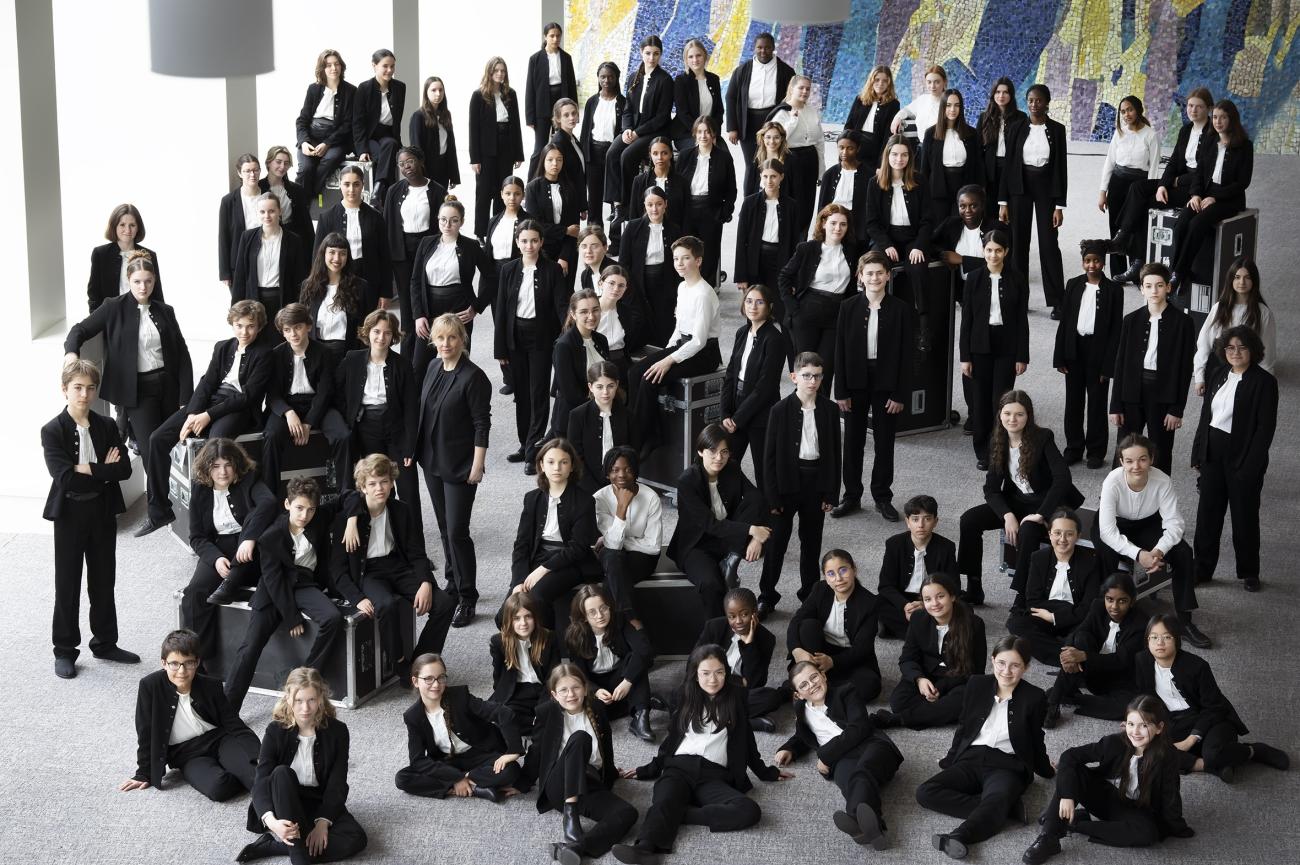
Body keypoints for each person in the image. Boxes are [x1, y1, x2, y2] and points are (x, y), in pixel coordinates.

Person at [611, 644, 791, 864]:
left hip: (714, 775)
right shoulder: (682, 695)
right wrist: (648, 769)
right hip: (679, 768)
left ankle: (678, 813)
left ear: (726, 672)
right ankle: (644, 850)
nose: (712, 680)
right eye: (705, 673)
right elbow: (671, 739)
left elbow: (746, 739)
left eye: (719, 672)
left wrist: (766, 772)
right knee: (664, 799)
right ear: (695, 674)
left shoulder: (736, 696)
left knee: (749, 811)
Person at [223, 478, 362, 713]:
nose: (305, 515)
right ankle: (228, 710)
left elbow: (351, 495)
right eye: (299, 508)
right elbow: (273, 581)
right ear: (287, 504)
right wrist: (291, 617)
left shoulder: (319, 517)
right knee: (250, 647)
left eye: (310, 509)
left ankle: (304, 681)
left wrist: (352, 521)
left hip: (305, 584)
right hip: (273, 592)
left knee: (332, 618)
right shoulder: (270, 536)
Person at [139, 300, 272, 537]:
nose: (244, 331)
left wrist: (207, 416)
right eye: (239, 325)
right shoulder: (223, 347)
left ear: (259, 327)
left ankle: (207, 521)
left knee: (213, 448)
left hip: (238, 409)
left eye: (250, 326)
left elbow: (248, 397)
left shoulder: (265, 354)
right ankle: (159, 511)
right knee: (157, 439)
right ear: (232, 324)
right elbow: (207, 382)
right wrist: (193, 414)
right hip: (208, 403)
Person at [916, 635, 1054, 859]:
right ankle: (1005, 808)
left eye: (1015, 665)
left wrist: (1047, 770)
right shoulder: (976, 684)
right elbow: (964, 726)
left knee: (997, 798)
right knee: (925, 793)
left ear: (1026, 667)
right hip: (971, 758)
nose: (1006, 671)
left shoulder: (1035, 697)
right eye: (1001, 663)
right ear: (992, 660)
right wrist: (950, 760)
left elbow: (1037, 739)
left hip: (1007, 765)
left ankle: (959, 836)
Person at [43, 360, 137, 679]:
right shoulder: (52, 431)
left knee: (103, 580)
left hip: (101, 512)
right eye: (78, 388)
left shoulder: (107, 425)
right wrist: (102, 471)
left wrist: (87, 468)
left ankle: (105, 643)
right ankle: (64, 650)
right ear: (65, 389)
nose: (85, 394)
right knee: (67, 584)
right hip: (69, 515)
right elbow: (65, 479)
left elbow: (123, 470)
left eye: (90, 388)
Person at [1022, 695, 1194, 863]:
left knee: (1148, 833)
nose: (1135, 732)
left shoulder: (1168, 756)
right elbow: (1069, 756)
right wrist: (1067, 795)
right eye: (1131, 724)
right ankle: (1048, 837)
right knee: (1074, 772)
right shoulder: (1114, 743)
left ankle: (1071, 824)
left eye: (1144, 725)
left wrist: (1176, 826)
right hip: (1104, 795)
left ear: (1159, 728)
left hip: (1136, 808)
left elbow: (1170, 794)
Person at [64, 251, 191, 463]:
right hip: (138, 392)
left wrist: (186, 399)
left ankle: (167, 487)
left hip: (169, 388)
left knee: (174, 450)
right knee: (151, 453)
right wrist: (71, 354)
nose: (143, 287)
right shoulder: (113, 307)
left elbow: (183, 355)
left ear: (154, 280)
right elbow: (79, 330)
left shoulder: (165, 311)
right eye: (137, 281)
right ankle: (156, 488)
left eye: (148, 281)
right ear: (128, 280)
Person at [957, 390, 1081, 605]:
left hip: (1048, 502)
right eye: (1007, 413)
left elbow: (1063, 479)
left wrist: (1041, 515)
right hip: (1018, 500)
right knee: (969, 520)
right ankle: (974, 586)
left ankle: (1023, 595)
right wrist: (1007, 515)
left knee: (1028, 532)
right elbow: (991, 489)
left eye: (1019, 414)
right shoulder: (998, 440)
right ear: (1000, 415)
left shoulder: (1043, 437)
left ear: (1028, 416)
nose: (1012, 419)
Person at [333, 453, 455, 672]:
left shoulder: (401, 510)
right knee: (386, 605)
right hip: (367, 572)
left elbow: (416, 552)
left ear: (391, 483)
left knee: (445, 603)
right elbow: (337, 569)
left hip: (396, 565)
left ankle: (420, 663)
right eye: (372, 483)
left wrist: (426, 582)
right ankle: (399, 663)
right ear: (363, 487)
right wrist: (357, 598)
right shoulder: (347, 520)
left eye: (384, 482)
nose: (379, 488)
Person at [238, 668, 368, 864]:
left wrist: (322, 823)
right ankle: (300, 858)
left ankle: (275, 846)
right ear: (288, 699)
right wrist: (273, 823)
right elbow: (261, 780)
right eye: (298, 700)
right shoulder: (275, 730)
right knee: (281, 773)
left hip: (317, 800)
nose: (305, 708)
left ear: (321, 699)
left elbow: (338, 783)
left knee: (356, 839)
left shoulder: (338, 731)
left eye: (311, 700)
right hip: (283, 798)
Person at [1136, 615, 1289, 781]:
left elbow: (1214, 708)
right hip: (1175, 722)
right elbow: (1145, 698)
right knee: (1147, 749)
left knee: (1212, 753)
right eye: (1154, 637)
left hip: (1212, 718)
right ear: (1147, 640)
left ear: (1177, 639)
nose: (1159, 643)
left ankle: (1253, 751)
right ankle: (1214, 766)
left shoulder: (1197, 666)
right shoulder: (1142, 660)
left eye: (1167, 637)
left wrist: (1190, 740)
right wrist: (1138, 721)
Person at [775, 662, 904, 849]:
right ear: (799, 695)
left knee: (862, 774)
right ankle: (874, 830)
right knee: (848, 783)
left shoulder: (846, 692)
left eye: (814, 677)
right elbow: (803, 735)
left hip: (870, 744)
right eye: (804, 685)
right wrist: (789, 748)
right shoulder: (802, 709)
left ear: (823, 676)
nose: (811, 685)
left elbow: (859, 727)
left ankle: (856, 820)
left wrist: (825, 755)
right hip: (841, 759)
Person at [121, 629, 260, 801]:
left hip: (219, 739)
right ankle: (236, 772)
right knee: (219, 788)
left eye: (189, 663)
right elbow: (145, 732)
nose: (181, 671)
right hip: (186, 754)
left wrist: (257, 753)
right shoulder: (149, 687)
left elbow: (234, 723)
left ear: (197, 662)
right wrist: (144, 772)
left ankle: (243, 772)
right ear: (163, 663)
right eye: (174, 664)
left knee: (256, 774)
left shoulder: (211, 685)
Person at [416, 313, 491, 628]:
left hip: (461, 464)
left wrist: (478, 464)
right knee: (444, 527)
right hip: (432, 460)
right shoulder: (433, 367)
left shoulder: (474, 377)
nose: (446, 343)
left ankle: (467, 597)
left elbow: (482, 423)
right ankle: (452, 581)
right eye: (440, 338)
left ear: (463, 339)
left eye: (452, 337)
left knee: (458, 531)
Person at [521, 665, 639, 865]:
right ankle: (570, 811)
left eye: (576, 688)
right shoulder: (546, 712)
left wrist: (611, 772)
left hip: (588, 781)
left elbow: (606, 746)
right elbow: (537, 751)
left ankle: (575, 848)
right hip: (559, 786)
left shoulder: (597, 708)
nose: (571, 694)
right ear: (554, 695)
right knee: (580, 738)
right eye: (563, 690)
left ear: (585, 689)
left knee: (628, 813)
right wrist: (521, 783)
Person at [1096, 434, 1206, 647]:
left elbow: (1175, 524)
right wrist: (1139, 555)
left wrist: (1158, 551)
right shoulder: (1112, 481)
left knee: (1183, 552)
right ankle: (1104, 616)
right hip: (1117, 524)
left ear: (1151, 459)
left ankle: (1184, 622)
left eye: (1142, 459)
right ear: (1121, 461)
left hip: (1147, 524)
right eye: (1129, 461)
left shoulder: (1162, 480)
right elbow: (1107, 531)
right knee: (1105, 551)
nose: (1136, 466)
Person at [1190, 325, 1277, 591]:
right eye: (1230, 347)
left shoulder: (1264, 382)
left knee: (1244, 517)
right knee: (1208, 515)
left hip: (1244, 458)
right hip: (1212, 454)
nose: (1235, 352)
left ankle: (1249, 572)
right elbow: (1206, 417)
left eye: (1241, 347)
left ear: (1253, 350)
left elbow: (1265, 430)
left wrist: (1250, 468)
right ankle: (1202, 568)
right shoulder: (1218, 373)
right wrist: (1198, 452)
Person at [832, 250, 916, 521]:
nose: (875, 278)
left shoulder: (902, 309)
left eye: (880, 273)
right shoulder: (848, 307)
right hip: (854, 382)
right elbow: (839, 351)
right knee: (852, 442)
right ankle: (851, 496)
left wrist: (900, 393)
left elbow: (907, 357)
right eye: (869, 273)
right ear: (860, 276)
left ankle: (882, 496)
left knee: (884, 442)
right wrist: (840, 391)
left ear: (888, 276)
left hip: (887, 382)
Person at [761, 352, 841, 612]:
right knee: (777, 544)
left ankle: (809, 595)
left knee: (811, 543)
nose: (812, 381)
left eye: (817, 376)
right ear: (794, 377)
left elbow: (834, 454)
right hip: (786, 485)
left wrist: (831, 493)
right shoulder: (779, 410)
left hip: (816, 484)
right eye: (806, 376)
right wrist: (772, 497)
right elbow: (769, 458)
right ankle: (767, 596)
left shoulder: (830, 410)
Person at [628, 237, 723, 455]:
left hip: (704, 354)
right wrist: (663, 354)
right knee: (634, 373)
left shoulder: (704, 294)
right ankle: (647, 432)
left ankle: (640, 442)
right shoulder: (682, 287)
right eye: (676, 258)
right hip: (684, 346)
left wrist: (668, 360)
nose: (679, 263)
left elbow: (699, 340)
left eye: (685, 258)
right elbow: (679, 329)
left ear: (698, 260)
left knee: (650, 379)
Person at [183, 439, 275, 659]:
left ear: (236, 465)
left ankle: (233, 582)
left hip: (253, 547)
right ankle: (197, 659)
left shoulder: (249, 479)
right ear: (207, 468)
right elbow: (197, 537)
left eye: (228, 465)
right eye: (215, 466)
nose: (222, 472)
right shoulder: (200, 488)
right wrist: (215, 559)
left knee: (255, 514)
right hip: (218, 548)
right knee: (194, 594)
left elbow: (269, 503)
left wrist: (249, 538)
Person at [1107, 87, 1214, 275]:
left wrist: (1177, 181)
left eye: (1198, 106)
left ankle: (1135, 256)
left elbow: (1205, 172)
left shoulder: (1213, 134)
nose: (1193, 110)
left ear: (1209, 109)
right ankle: (1125, 238)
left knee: (1143, 203)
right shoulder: (1186, 130)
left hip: (1196, 190)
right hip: (1179, 182)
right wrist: (1163, 185)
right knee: (1138, 189)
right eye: (1190, 105)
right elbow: (1173, 162)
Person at [667, 424, 770, 619]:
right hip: (697, 544)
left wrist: (757, 538)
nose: (719, 458)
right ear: (700, 451)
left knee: (759, 506)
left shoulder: (731, 467)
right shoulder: (687, 481)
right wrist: (751, 530)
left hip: (726, 537)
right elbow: (710, 524)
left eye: (724, 452)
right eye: (712, 451)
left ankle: (733, 557)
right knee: (711, 585)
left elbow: (756, 498)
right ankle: (718, 630)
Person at [394, 653, 523, 801]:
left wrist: (513, 750)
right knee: (402, 778)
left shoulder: (460, 696)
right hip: (447, 760)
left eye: (441, 677)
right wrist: (455, 777)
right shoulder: (413, 716)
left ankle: (464, 783)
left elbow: (503, 713)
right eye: (428, 679)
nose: (436, 684)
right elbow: (418, 760)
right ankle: (475, 787)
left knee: (511, 770)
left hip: (479, 754)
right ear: (415, 681)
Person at [334, 309, 421, 525]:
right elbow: (337, 392)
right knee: (377, 487)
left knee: (408, 490)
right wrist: (347, 420)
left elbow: (411, 407)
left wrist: (410, 446)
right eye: (376, 331)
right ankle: (385, 535)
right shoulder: (352, 359)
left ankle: (414, 542)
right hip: (366, 429)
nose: (381, 337)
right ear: (367, 332)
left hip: (396, 430)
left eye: (387, 333)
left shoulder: (402, 364)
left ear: (393, 336)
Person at [1108, 263, 1194, 476]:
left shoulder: (1183, 323)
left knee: (1161, 450)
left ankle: (1158, 496)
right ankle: (1119, 491)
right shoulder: (1130, 320)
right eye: (1148, 286)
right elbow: (1120, 364)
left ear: (1168, 287)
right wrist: (1116, 404)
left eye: (1159, 285)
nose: (1154, 291)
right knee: (1125, 447)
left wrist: (1177, 408)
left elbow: (1184, 370)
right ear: (1141, 289)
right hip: (1131, 393)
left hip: (1163, 395)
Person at [495, 219, 566, 472]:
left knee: (538, 393)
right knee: (521, 393)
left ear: (541, 242)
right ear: (517, 242)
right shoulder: (508, 270)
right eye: (524, 241)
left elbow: (561, 305)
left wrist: (568, 333)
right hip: (515, 337)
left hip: (541, 338)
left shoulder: (552, 270)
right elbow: (501, 310)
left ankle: (533, 451)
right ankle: (524, 443)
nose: (529, 246)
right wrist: (500, 348)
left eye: (534, 240)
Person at [875, 572, 986, 730]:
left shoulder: (974, 624)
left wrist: (940, 688)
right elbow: (907, 659)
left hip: (958, 680)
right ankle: (935, 712)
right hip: (926, 674)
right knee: (898, 702)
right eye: (927, 599)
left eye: (940, 596)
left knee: (964, 700)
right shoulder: (918, 619)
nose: (935, 604)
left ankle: (898, 720)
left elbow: (976, 670)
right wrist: (919, 679)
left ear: (952, 596)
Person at [511, 438, 600, 627]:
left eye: (563, 462)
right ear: (541, 465)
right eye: (551, 462)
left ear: (572, 466)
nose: (557, 468)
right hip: (538, 556)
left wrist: (543, 570)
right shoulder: (532, 499)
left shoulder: (585, 501)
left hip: (570, 561)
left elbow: (578, 548)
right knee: (505, 614)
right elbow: (522, 544)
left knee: (537, 597)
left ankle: (548, 645)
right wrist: (517, 581)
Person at [959, 229, 1029, 469]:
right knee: (980, 402)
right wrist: (965, 357)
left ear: (1006, 251)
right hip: (979, 346)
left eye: (998, 250)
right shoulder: (973, 278)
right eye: (989, 250)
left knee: (1002, 403)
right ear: (983, 250)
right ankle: (982, 451)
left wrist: (1022, 355)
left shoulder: (1017, 279)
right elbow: (966, 320)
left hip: (1007, 346)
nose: (993, 255)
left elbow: (1021, 320)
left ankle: (999, 450)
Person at [407, 197, 494, 386]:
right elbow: (415, 281)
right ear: (438, 219)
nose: (447, 225)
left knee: (458, 365)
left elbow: (492, 278)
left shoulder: (471, 246)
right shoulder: (426, 243)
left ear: (462, 222)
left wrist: (476, 307)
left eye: (454, 220)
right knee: (419, 366)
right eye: (443, 220)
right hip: (428, 310)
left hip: (459, 310)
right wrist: (418, 315)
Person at [997, 83, 1067, 315]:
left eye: (1039, 100)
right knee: (1018, 245)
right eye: (1030, 100)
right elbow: (1008, 165)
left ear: (1047, 103)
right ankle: (1019, 299)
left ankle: (1057, 301)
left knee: (1049, 244)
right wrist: (1003, 202)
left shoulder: (1057, 130)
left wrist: (1059, 205)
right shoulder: (1016, 127)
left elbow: (1061, 168)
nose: (1034, 104)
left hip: (1046, 189)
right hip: (1020, 189)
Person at [1169, 99, 1253, 289]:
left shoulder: (1245, 146)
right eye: (1215, 117)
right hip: (1205, 194)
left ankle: (1177, 275)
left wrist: (1216, 197)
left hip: (1228, 199)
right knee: (1182, 223)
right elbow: (1199, 173)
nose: (1218, 122)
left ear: (1232, 119)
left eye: (1223, 117)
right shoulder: (1209, 141)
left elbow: (1243, 182)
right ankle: (1180, 271)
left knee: (1197, 223)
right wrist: (1195, 194)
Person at [1054, 240, 1123, 469]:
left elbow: (1115, 331)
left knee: (1096, 403)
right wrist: (1060, 356)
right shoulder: (1073, 284)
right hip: (1074, 350)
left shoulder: (1114, 290)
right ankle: (1074, 447)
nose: (1091, 265)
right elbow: (1065, 322)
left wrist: (1109, 365)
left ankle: (1095, 451)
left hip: (1098, 353)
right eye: (1087, 261)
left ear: (1103, 263)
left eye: (1096, 261)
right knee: (1073, 402)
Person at [1043, 572, 1143, 727]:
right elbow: (1077, 633)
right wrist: (1067, 656)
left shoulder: (1141, 623)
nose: (1114, 607)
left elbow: (1121, 660)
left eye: (1122, 601)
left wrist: (1084, 656)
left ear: (1132, 601)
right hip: (1091, 671)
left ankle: (1070, 696)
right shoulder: (1097, 606)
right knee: (1081, 638)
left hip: (1119, 680)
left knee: (1131, 707)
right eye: (1109, 599)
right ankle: (1053, 702)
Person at [1005, 508, 1101, 665]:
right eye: (1057, 533)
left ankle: (1058, 650)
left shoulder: (1091, 562)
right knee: (1015, 624)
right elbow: (1033, 600)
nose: (1062, 539)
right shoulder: (1038, 558)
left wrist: (1055, 617)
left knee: (1083, 637)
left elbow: (1087, 607)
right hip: (1044, 615)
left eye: (1069, 534)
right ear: (1049, 534)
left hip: (1076, 619)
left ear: (1078, 536)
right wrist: (1050, 616)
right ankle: (1067, 658)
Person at [779, 204, 856, 397]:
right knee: (807, 370)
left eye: (843, 224)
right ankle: (801, 412)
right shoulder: (807, 248)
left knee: (826, 371)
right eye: (833, 223)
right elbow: (784, 277)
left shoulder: (852, 250)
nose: (838, 228)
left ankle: (821, 413)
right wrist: (792, 307)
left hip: (836, 314)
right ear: (823, 223)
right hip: (808, 311)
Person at [788, 549, 883, 702]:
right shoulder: (820, 589)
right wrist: (796, 650)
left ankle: (816, 689)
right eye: (831, 574)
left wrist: (832, 661)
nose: (838, 578)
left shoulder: (870, 603)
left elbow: (862, 648)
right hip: (819, 651)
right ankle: (823, 686)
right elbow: (796, 620)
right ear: (825, 577)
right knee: (807, 626)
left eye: (843, 570)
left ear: (854, 569)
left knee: (870, 685)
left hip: (851, 658)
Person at [721, 283, 790, 489]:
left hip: (761, 414)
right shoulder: (742, 332)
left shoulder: (775, 339)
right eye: (749, 301)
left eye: (759, 302)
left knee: (764, 473)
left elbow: (765, 387)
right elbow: (730, 375)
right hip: (736, 407)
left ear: (769, 307)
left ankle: (766, 508)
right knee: (725, 465)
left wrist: (737, 419)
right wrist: (725, 413)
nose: (753, 306)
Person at [566, 584, 656, 742]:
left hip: (620, 677)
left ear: (609, 607)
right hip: (595, 683)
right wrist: (595, 691)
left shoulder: (620, 620)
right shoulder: (575, 636)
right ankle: (640, 700)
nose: (600, 616)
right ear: (584, 616)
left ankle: (641, 716)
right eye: (592, 612)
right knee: (593, 713)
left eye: (603, 608)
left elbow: (644, 649)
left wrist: (627, 681)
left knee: (636, 660)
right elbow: (579, 675)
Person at [383, 145, 447, 360]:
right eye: (401, 164)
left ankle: (426, 353)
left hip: (428, 250)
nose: (406, 167)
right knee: (407, 305)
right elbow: (388, 225)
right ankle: (407, 357)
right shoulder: (394, 191)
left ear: (421, 161)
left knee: (426, 299)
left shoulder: (437, 190)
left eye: (410, 161)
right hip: (402, 253)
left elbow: (442, 225)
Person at [863, 134, 932, 330]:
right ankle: (876, 315)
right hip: (886, 237)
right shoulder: (875, 183)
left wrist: (919, 246)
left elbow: (927, 220)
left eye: (904, 155)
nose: (899, 159)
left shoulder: (919, 181)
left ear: (910, 157)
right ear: (887, 155)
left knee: (918, 268)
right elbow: (872, 223)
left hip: (913, 238)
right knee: (875, 265)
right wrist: (886, 245)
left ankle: (923, 324)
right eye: (894, 154)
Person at [605, 36, 672, 223]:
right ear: (641, 53)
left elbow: (662, 117)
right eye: (648, 53)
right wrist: (627, 128)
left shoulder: (665, 80)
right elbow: (628, 109)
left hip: (654, 131)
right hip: (633, 128)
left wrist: (637, 133)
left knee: (627, 156)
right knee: (612, 154)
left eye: (656, 54)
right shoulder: (633, 77)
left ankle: (627, 205)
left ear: (660, 55)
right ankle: (616, 204)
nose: (651, 58)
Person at [694, 588, 783, 731]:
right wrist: (735, 680)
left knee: (770, 698)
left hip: (735, 694)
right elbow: (693, 664)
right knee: (683, 692)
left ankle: (710, 716)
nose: (738, 621)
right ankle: (741, 721)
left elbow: (755, 683)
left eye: (744, 614)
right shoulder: (714, 627)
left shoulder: (766, 639)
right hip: (707, 686)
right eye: (732, 616)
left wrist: (749, 645)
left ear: (755, 612)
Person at [592, 446, 662, 626]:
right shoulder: (599, 499)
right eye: (615, 470)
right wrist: (621, 508)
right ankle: (632, 620)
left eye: (628, 470)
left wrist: (616, 541)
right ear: (607, 473)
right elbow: (613, 546)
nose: (621, 475)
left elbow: (653, 547)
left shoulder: (651, 497)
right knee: (612, 557)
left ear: (636, 472)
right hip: (612, 556)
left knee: (612, 574)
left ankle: (615, 626)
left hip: (643, 558)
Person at [1097, 96, 1162, 281]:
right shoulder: (1119, 133)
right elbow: (1109, 162)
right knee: (1116, 228)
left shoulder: (1150, 135)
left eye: (1130, 110)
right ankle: (1117, 272)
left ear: (1139, 110)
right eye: (1123, 111)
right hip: (1117, 183)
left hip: (1138, 186)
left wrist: (1151, 193)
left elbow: (1154, 167)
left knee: (1135, 228)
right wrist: (1102, 191)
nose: (1126, 114)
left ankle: (1135, 273)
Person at [874, 495, 958, 639]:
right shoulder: (894, 544)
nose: (921, 525)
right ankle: (928, 633)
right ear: (907, 522)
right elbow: (885, 586)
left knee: (963, 609)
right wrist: (905, 605)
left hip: (934, 598)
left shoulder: (946, 547)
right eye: (915, 519)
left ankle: (904, 631)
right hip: (902, 598)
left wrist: (926, 604)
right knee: (874, 603)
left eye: (927, 519)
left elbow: (953, 586)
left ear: (935, 521)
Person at [313, 164, 391, 313]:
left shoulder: (376, 217)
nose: (351, 189)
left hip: (370, 281)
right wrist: (319, 287)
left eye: (356, 184)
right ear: (340, 185)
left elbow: (385, 258)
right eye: (347, 184)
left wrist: (385, 292)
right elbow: (318, 257)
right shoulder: (326, 217)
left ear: (363, 185)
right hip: (337, 280)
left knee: (367, 323)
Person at [1192, 256, 1276, 393]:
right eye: (1237, 277)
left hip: (1247, 372)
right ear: (1231, 279)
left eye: (1247, 277)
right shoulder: (1219, 308)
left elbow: (1267, 354)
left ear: (1254, 280)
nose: (1242, 282)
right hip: (1217, 370)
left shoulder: (1263, 312)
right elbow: (1204, 344)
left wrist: (1265, 385)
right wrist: (1199, 377)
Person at [725, 31, 796, 185]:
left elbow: (792, 98)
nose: (763, 51)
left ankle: (772, 196)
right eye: (759, 47)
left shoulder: (786, 71)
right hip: (748, 123)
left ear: (773, 48)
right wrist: (732, 128)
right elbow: (730, 97)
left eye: (767, 47)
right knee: (752, 165)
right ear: (754, 48)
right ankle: (749, 199)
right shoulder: (742, 70)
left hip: (773, 121)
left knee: (773, 164)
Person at [468, 56, 525, 238]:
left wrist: (518, 154)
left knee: (504, 191)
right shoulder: (478, 96)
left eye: (503, 71)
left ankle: (498, 230)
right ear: (490, 72)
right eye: (497, 70)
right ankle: (480, 233)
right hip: (486, 151)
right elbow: (473, 129)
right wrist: (475, 159)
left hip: (506, 149)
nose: (500, 74)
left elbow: (516, 125)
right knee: (484, 193)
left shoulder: (511, 94)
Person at [734, 160, 797, 322]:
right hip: (756, 261)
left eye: (773, 176)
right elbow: (741, 241)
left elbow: (795, 244)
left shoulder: (791, 206)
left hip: (781, 261)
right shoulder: (749, 203)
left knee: (780, 308)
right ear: (761, 177)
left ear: (781, 177)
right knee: (755, 307)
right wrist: (741, 275)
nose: (769, 181)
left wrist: (794, 277)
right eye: (765, 176)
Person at [676, 117, 736, 285]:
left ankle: (707, 289)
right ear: (695, 134)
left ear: (714, 134)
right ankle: (687, 289)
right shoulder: (685, 155)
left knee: (709, 255)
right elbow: (677, 185)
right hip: (688, 210)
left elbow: (731, 190)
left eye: (707, 132)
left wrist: (724, 213)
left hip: (711, 211)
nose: (703, 136)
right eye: (700, 132)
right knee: (686, 253)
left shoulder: (724, 158)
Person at [619, 186, 682, 347]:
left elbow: (678, 264)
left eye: (659, 204)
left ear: (666, 204)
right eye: (650, 204)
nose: (654, 209)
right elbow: (624, 262)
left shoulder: (674, 229)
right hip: (638, 283)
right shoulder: (632, 227)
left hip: (665, 283)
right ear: (644, 206)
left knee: (664, 322)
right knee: (643, 321)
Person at [489, 593, 560, 732]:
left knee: (551, 711)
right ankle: (535, 724)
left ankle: (537, 723)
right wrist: (500, 695)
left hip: (543, 689)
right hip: (516, 690)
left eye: (528, 616)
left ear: (535, 617)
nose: (523, 623)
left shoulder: (549, 638)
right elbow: (497, 675)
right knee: (504, 715)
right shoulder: (498, 642)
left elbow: (552, 676)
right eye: (516, 618)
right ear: (509, 620)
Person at [232, 192, 309, 320]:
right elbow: (240, 276)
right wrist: (235, 311)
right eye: (262, 212)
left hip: (283, 301)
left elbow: (299, 278)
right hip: (253, 301)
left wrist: (299, 309)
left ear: (280, 211)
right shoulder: (247, 237)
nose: (267, 216)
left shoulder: (294, 240)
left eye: (271, 211)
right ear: (257, 213)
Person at [294, 49, 356, 198]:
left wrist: (327, 143)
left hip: (336, 140)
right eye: (328, 65)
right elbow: (302, 120)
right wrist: (304, 142)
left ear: (341, 66)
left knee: (330, 160)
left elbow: (347, 125)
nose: (334, 68)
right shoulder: (313, 89)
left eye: (337, 64)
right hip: (311, 137)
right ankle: (300, 201)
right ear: (322, 68)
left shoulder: (351, 91)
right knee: (306, 168)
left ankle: (311, 197)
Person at [298, 233, 366, 368]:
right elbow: (302, 321)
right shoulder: (308, 286)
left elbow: (365, 326)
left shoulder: (360, 287)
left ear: (348, 257)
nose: (337, 258)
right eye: (332, 252)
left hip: (346, 353)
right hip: (315, 352)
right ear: (323, 254)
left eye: (342, 253)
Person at [767, 75, 823, 236]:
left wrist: (821, 169)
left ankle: (801, 244)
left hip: (810, 161)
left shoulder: (812, 111)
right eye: (801, 88)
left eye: (808, 89)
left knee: (806, 207)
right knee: (790, 207)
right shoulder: (781, 112)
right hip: (790, 162)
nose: (805, 91)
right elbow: (775, 141)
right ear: (792, 89)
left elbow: (819, 142)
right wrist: (792, 121)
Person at [919, 88, 983, 225]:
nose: (952, 109)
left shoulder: (971, 133)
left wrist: (979, 191)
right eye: (948, 105)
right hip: (938, 188)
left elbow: (978, 165)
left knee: (960, 227)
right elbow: (924, 168)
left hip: (965, 188)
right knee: (939, 228)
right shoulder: (930, 133)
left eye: (957, 105)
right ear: (943, 107)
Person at [551, 291, 609, 438]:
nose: (591, 316)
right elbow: (570, 392)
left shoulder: (602, 340)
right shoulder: (563, 345)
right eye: (584, 312)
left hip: (599, 413)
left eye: (595, 310)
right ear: (573, 314)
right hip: (572, 421)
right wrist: (599, 409)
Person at [568, 362, 633, 494]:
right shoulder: (577, 415)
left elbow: (632, 452)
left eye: (610, 386)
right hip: (586, 484)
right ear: (590, 387)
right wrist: (596, 491)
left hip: (621, 482)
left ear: (617, 384)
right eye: (599, 387)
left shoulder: (628, 415)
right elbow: (575, 457)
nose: (605, 392)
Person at [87, 203, 163, 312]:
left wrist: (161, 319)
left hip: (143, 314)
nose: (127, 230)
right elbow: (94, 295)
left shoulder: (149, 255)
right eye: (122, 225)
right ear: (114, 226)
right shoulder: (100, 254)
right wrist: (97, 321)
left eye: (132, 225)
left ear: (138, 227)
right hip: (111, 317)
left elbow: (157, 294)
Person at [352, 48, 405, 205]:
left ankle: (377, 189)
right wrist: (362, 150)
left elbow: (397, 120)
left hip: (387, 135)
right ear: (374, 65)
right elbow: (358, 123)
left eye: (392, 66)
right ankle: (383, 194)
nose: (390, 70)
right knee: (385, 155)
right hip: (368, 137)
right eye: (385, 66)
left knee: (391, 144)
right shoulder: (364, 88)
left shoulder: (400, 87)